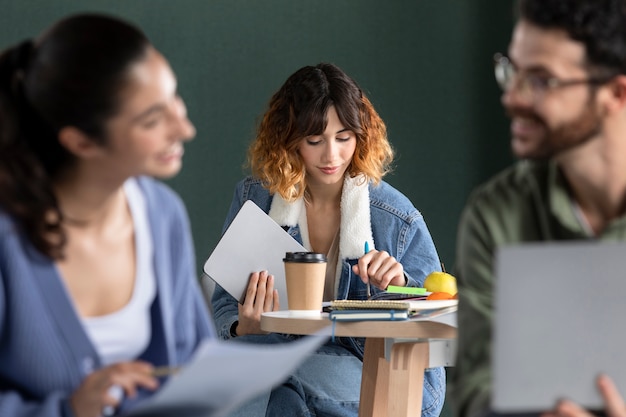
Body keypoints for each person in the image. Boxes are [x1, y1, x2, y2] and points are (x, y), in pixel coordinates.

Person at [0, 13, 253, 417]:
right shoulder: (8, 239)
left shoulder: (162, 214)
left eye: (174, 98)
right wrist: (67, 410)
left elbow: (194, 364)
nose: (184, 128)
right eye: (153, 119)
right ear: (81, 141)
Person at [211, 62, 446, 417]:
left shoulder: (395, 216)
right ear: (288, 140)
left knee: (258, 383)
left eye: (344, 138)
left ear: (361, 136)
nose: (331, 156)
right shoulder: (255, 200)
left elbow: (439, 319)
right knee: (273, 392)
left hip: (384, 372)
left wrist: (400, 287)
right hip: (283, 359)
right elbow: (223, 308)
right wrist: (245, 326)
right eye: (314, 140)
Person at [452, 1, 626, 417]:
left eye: (542, 80)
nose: (512, 97)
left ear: (615, 94)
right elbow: (476, 389)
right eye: (512, 71)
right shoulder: (495, 213)